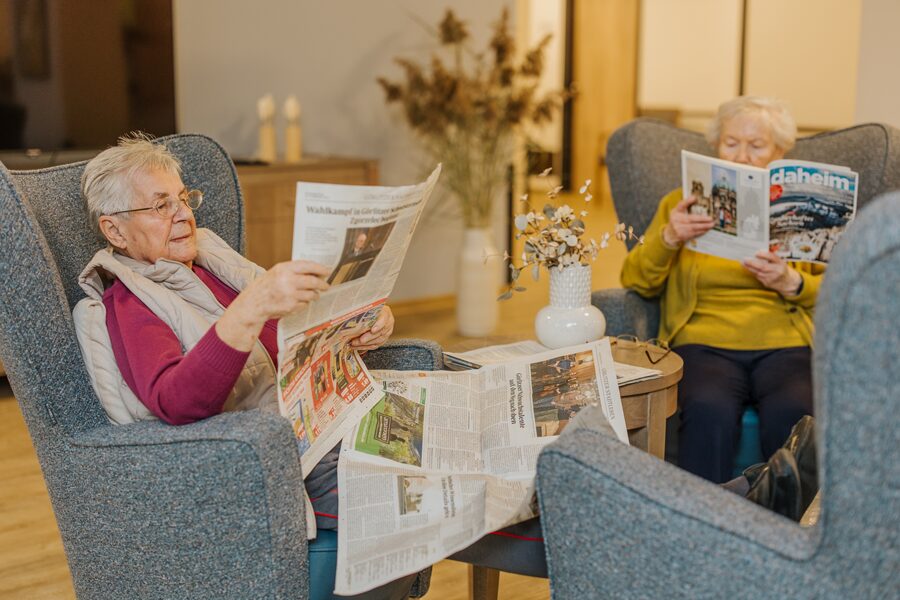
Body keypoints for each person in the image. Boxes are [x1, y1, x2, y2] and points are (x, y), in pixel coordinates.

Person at [72, 134, 407, 600]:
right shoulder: (130, 303)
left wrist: (364, 324)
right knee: (411, 501)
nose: (184, 215)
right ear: (115, 231)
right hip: (278, 461)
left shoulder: (213, 263)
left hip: (325, 423)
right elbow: (175, 400)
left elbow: (294, 339)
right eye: (160, 206)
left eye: (184, 199)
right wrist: (250, 310)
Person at [621, 96, 821, 484]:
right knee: (708, 408)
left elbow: (838, 289)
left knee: (795, 409)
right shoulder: (679, 204)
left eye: (757, 146)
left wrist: (792, 282)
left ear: (779, 152)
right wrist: (668, 237)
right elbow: (636, 280)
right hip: (704, 340)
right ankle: (704, 527)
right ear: (715, 145)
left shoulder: (798, 211)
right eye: (731, 142)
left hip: (784, 342)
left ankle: (788, 530)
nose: (743, 156)